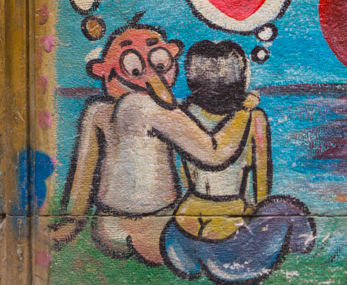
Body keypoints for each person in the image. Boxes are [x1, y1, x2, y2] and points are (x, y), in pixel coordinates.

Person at [50, 19, 258, 265]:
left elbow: (83, 178)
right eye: (136, 67)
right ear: (106, 70)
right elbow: (214, 153)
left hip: (106, 226)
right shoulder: (149, 106)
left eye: (160, 63)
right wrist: (243, 112)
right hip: (154, 226)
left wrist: (71, 225)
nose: (153, 74)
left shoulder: (96, 110)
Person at [160, 40, 315, 285]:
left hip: (178, 240)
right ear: (240, 79)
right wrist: (255, 212)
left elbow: (186, 174)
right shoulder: (254, 118)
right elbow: (262, 182)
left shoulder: (185, 113)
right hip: (227, 250)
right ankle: (304, 249)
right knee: (286, 209)